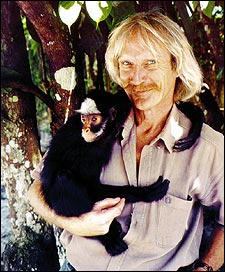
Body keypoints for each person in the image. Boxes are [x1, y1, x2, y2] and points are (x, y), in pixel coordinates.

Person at [28, 10, 224, 271]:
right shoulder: (97, 120)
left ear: (175, 64)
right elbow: (37, 189)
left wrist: (205, 268)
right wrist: (74, 223)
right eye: (127, 64)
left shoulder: (208, 148)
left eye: (151, 63)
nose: (137, 78)